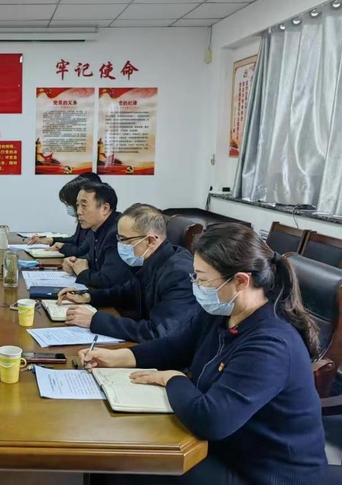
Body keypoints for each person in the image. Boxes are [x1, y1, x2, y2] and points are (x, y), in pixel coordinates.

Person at [80, 224, 327, 484]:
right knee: (120, 454)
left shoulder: (271, 344)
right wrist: (118, 357)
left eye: (202, 279)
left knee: (126, 465)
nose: (197, 286)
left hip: (263, 473)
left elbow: (212, 420)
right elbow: (175, 347)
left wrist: (172, 379)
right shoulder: (223, 312)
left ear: (241, 281)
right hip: (225, 448)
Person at [59, 203, 198, 342]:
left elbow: (157, 333)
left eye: (124, 240)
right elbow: (126, 293)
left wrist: (94, 320)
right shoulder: (151, 260)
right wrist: (88, 296)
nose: (120, 245)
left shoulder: (179, 273)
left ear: (150, 241)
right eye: (118, 239)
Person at [61, 182, 131, 289]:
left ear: (105, 209)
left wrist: (82, 272)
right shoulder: (95, 229)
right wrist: (74, 263)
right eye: (77, 205)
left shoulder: (117, 233)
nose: (78, 212)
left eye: (84, 206)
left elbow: (107, 281)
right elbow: (93, 259)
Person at [28, 172, 102, 257]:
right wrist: (50, 240)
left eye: (69, 203)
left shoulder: (96, 223)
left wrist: (63, 247)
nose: (79, 211)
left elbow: (81, 251)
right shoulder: (83, 219)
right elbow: (76, 240)